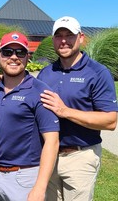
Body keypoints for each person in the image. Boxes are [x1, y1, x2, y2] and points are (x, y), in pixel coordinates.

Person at [37, 16, 118, 201]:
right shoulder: (46, 73)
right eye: (59, 36)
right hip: (48, 156)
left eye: (69, 35)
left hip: (80, 157)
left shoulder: (98, 73)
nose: (64, 40)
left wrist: (64, 111)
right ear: (53, 40)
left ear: (81, 37)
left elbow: (110, 121)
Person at [0, 31, 60, 201]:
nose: (13, 57)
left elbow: (52, 141)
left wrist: (40, 188)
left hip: (25, 178)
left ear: (28, 57)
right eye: (7, 52)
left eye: (20, 52)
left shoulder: (40, 91)